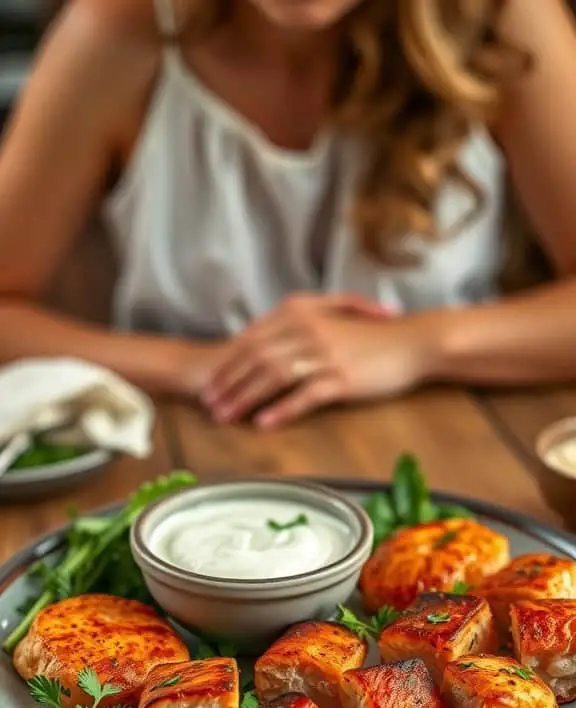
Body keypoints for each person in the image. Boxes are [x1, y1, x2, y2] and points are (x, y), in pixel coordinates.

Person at [1, 1, 576, 431]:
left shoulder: (501, 18)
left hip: (458, 463)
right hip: (184, 463)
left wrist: (420, 344)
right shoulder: (116, 31)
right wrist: (191, 366)